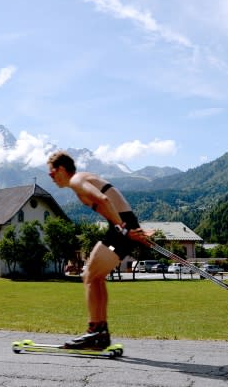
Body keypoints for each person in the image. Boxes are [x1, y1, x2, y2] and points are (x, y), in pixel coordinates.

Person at [47, 150, 150, 349]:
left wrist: (124, 229)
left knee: (89, 275)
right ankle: (100, 332)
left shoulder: (77, 180)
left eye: (51, 174)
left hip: (119, 230)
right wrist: (128, 229)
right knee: (96, 277)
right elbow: (109, 206)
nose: (52, 179)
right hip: (121, 228)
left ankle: (94, 331)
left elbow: (105, 200)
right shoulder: (80, 185)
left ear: (61, 169)